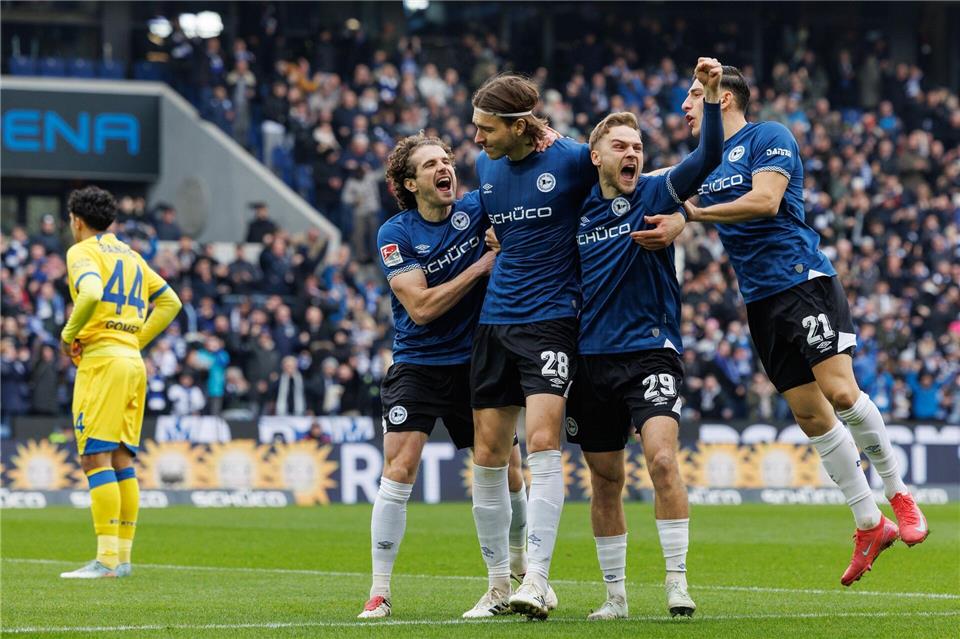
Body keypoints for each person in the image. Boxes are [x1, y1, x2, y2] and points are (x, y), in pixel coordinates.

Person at [680, 66, 928, 587]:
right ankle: (868, 523)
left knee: (840, 392)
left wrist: (696, 215)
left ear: (723, 98)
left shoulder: (768, 136)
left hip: (801, 281)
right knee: (810, 416)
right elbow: (645, 181)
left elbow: (767, 201)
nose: (686, 107)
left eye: (694, 97)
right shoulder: (700, 163)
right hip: (759, 301)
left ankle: (899, 493)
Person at [567, 57, 724, 620]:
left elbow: (707, 157)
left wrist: (708, 95)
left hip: (650, 351)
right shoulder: (575, 208)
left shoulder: (658, 191)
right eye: (620, 146)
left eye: (637, 145)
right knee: (605, 478)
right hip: (589, 361)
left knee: (660, 459)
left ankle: (678, 583)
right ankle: (615, 597)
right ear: (596, 156)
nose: (632, 153)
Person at [359, 133, 538, 620]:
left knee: (510, 471)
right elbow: (419, 308)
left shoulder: (479, 207)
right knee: (398, 469)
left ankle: (520, 565)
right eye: (431, 165)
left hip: (478, 362)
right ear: (409, 182)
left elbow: (526, 207)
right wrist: (481, 265)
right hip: (418, 362)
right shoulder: (395, 233)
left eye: (447, 160)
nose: (445, 169)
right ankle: (379, 591)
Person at [467, 73, 595, 620]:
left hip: (551, 321)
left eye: (486, 128)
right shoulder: (485, 166)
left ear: (520, 126)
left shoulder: (571, 159)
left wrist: (680, 217)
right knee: (489, 456)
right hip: (495, 322)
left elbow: (629, 190)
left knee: (543, 444)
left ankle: (537, 581)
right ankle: (499, 584)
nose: (477, 139)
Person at [58, 186, 182, 579]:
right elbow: (170, 302)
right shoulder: (130, 255)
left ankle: (106, 560)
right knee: (121, 459)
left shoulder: (82, 251)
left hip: (103, 363)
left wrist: (67, 335)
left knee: (94, 457)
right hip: (132, 362)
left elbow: (91, 291)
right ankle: (122, 558)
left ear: (76, 220)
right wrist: (135, 340)